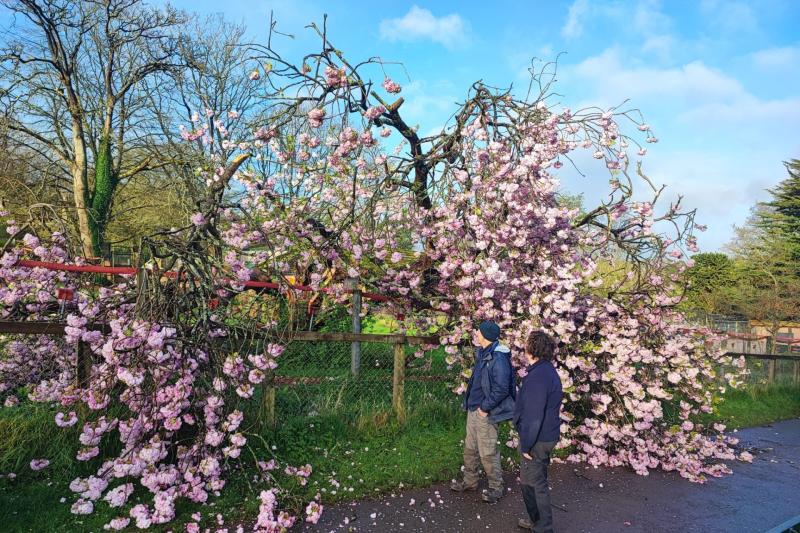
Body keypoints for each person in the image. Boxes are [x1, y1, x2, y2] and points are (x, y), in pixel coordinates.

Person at [450, 320, 515, 504]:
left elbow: (502, 388)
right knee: (470, 448)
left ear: (485, 335)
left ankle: (496, 487)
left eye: (478, 331)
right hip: (474, 409)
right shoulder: (484, 353)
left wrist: (484, 408)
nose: (475, 334)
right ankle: (470, 481)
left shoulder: (498, 358)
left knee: (487, 451)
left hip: (485, 411)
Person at [514, 330, 563, 532]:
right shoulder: (545, 371)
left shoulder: (538, 377)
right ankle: (537, 520)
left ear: (532, 349)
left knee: (534, 483)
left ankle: (543, 526)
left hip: (538, 438)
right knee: (532, 479)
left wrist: (526, 444)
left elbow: (534, 416)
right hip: (545, 435)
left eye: (527, 344)